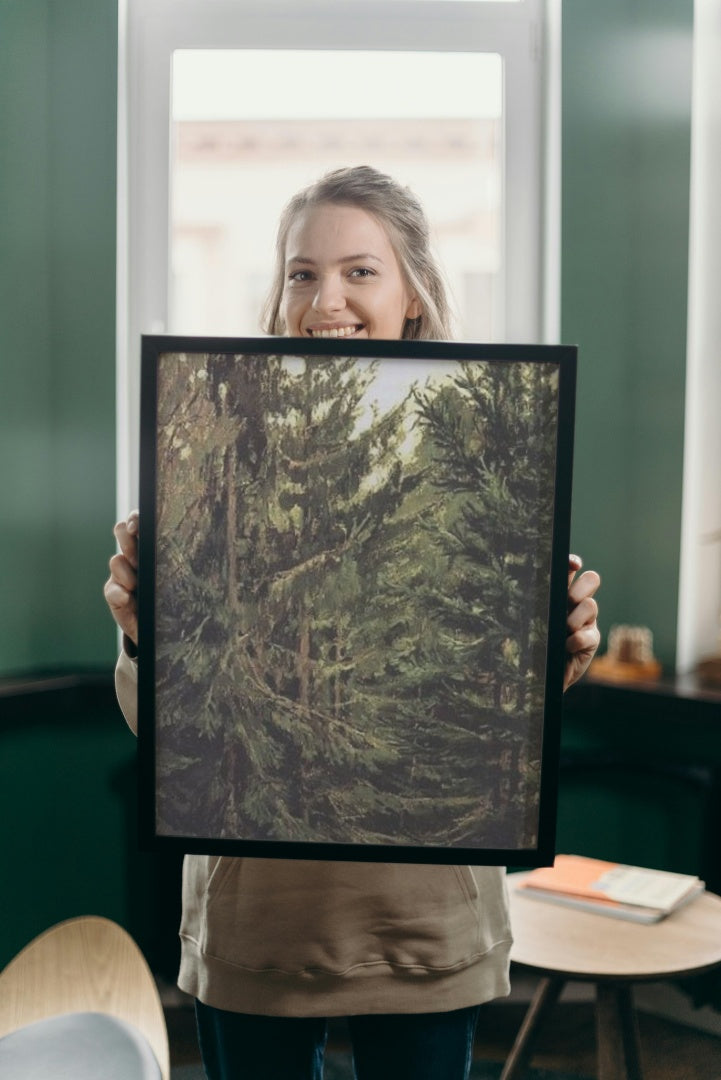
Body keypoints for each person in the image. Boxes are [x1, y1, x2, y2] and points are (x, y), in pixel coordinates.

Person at [105, 166, 601, 1080]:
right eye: (301, 272)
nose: (324, 298)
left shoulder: (485, 450)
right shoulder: (210, 446)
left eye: (359, 271)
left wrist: (554, 654)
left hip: (424, 921)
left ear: (412, 292)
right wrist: (144, 636)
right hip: (257, 924)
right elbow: (175, 732)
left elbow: (491, 717)